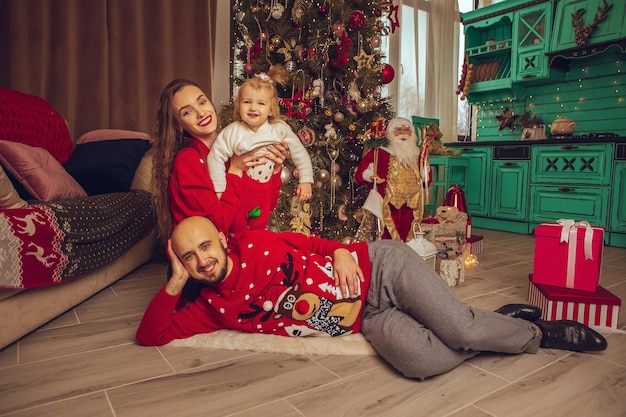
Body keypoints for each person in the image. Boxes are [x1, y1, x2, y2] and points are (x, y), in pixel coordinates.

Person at [136, 216, 607, 380]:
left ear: (220, 238)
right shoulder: (210, 308)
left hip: (380, 269)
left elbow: (318, 244)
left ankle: (536, 332)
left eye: (204, 246)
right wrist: (175, 283)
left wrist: (342, 251)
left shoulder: (259, 243)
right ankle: (493, 321)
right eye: (188, 257)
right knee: (420, 362)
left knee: (458, 329)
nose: (201, 260)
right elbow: (151, 335)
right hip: (367, 318)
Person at [152, 79, 288, 300]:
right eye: (187, 112)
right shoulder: (188, 162)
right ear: (179, 125)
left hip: (237, 253)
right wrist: (234, 172)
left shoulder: (230, 147)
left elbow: (263, 207)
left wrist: (275, 169)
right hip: (206, 272)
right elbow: (218, 225)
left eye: (202, 102)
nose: (201, 113)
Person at [207, 73, 314, 230]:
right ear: (239, 106)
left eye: (261, 103)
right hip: (239, 190)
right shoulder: (233, 131)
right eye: (247, 102)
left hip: (263, 191)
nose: (253, 108)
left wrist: (305, 180)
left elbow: (299, 152)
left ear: (271, 110)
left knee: (258, 227)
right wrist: (219, 189)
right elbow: (215, 156)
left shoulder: (278, 129)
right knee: (236, 228)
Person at [354, 117, 423, 242]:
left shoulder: (417, 155)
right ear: (390, 133)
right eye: (398, 130)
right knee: (387, 234)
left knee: (409, 231)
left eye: (407, 130)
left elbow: (424, 178)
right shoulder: (381, 153)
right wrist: (370, 176)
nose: (403, 133)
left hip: (411, 204)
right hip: (387, 203)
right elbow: (362, 171)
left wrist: (425, 170)